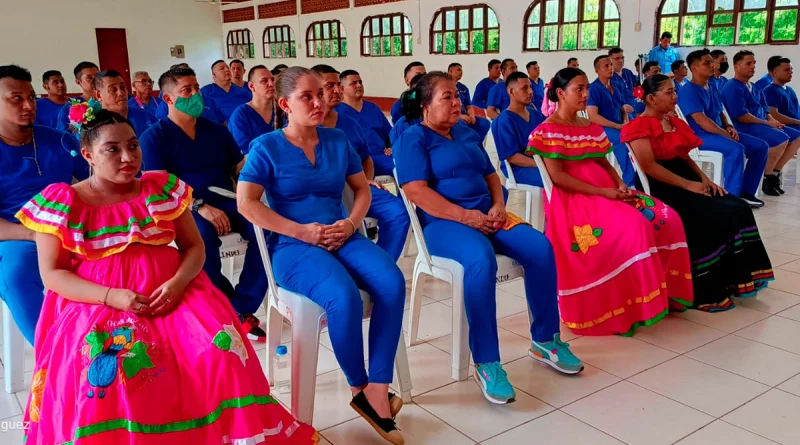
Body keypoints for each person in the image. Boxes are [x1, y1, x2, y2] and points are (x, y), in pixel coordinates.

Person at [16, 107, 318, 445]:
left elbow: (194, 248)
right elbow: (53, 275)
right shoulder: (63, 202)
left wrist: (178, 282)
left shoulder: (161, 189)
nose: (128, 156)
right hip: (97, 299)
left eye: (133, 146)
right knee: (109, 376)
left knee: (221, 355)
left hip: (176, 290)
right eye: (112, 149)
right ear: (87, 154)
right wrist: (112, 297)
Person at [237, 67, 406, 445]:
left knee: (392, 282)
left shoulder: (336, 139)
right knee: (342, 296)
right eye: (306, 97)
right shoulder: (266, 147)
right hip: (293, 246)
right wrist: (301, 231)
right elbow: (246, 204)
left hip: (340, 234)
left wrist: (349, 223)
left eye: (320, 94)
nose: (318, 102)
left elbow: (361, 190)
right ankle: (358, 387)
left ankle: (378, 387)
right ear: (285, 104)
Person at [395, 71, 584, 406]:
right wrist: (466, 216)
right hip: (444, 223)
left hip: (490, 214)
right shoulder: (414, 138)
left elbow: (491, 176)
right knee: (479, 259)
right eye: (447, 97)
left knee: (540, 248)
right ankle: (487, 362)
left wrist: (498, 205)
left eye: (457, 96)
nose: (457, 103)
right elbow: (415, 191)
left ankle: (545, 340)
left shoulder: (467, 133)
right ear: (425, 105)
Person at [527, 67, 694, 335]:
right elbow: (557, 177)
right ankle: (626, 306)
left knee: (666, 217)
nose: (585, 94)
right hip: (576, 199)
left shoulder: (589, 127)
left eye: (586, 88)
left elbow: (603, 161)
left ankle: (666, 295)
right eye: (578, 89)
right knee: (633, 225)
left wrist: (619, 184)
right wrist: (604, 192)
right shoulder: (547, 131)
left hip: (608, 190)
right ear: (560, 93)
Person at [622, 75, 773, 311]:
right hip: (662, 186)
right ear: (651, 98)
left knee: (738, 207)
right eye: (669, 93)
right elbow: (649, 166)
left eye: (674, 91)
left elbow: (684, 157)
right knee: (711, 214)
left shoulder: (673, 122)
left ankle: (736, 279)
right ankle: (705, 290)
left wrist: (705, 180)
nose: (675, 97)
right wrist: (688, 185)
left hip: (686, 178)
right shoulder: (638, 126)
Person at [140, 66, 268, 342]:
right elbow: (157, 186)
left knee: (268, 230)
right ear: (168, 99)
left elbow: (238, 169)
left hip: (226, 198)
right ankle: (222, 304)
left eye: (196, 88)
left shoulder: (215, 131)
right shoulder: (154, 137)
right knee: (201, 238)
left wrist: (256, 181)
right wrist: (197, 206)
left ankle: (241, 306)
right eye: (187, 90)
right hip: (183, 207)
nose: (196, 94)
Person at [0, 64, 88, 345]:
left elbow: (94, 180)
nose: (28, 105)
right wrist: (34, 234)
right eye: (16, 98)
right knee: (17, 272)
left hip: (70, 226)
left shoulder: (59, 139)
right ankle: (55, 355)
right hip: (17, 235)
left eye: (31, 97)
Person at [314, 65, 410, 263]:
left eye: (337, 85)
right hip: (324, 193)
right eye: (329, 86)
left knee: (398, 213)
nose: (336, 90)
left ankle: (382, 264)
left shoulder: (349, 123)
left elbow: (365, 158)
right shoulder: (305, 125)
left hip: (357, 186)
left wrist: (366, 179)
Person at [678, 49, 768, 206]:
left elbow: (720, 112)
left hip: (718, 132)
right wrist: (724, 133)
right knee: (735, 149)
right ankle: (732, 198)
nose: (712, 66)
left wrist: (728, 126)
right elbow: (701, 120)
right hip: (700, 136)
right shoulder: (689, 90)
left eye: (712, 62)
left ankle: (746, 192)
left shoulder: (712, 87)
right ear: (693, 67)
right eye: (707, 63)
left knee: (760, 146)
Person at [722, 51, 800, 197]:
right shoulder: (732, 87)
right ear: (737, 66)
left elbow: (765, 109)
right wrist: (766, 123)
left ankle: (774, 172)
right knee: (780, 139)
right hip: (745, 127)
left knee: (796, 136)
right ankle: (767, 176)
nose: (753, 67)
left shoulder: (754, 87)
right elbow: (741, 115)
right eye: (748, 63)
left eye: (754, 63)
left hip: (760, 125)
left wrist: (772, 120)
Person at [587, 55, 636, 186]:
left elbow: (622, 107)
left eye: (611, 65)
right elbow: (593, 116)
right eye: (606, 66)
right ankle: (630, 181)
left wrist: (625, 120)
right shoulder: (594, 88)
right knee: (622, 140)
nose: (610, 68)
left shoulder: (616, 85)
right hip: (601, 127)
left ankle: (645, 174)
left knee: (640, 134)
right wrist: (617, 126)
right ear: (597, 70)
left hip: (618, 123)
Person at [492, 72, 546, 187]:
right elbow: (512, 157)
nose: (531, 92)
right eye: (524, 88)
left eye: (530, 87)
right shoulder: (504, 120)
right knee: (553, 178)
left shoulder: (536, 115)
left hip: (541, 161)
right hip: (519, 168)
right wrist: (541, 164)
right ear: (511, 92)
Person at [338, 70, 395, 179]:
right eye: (353, 83)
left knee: (407, 166)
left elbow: (390, 134)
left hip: (382, 156)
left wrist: (392, 147)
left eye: (360, 82)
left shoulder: (373, 108)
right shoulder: (337, 113)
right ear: (342, 89)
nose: (359, 85)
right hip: (358, 161)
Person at [763, 57, 800, 192]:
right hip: (781, 126)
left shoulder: (789, 90)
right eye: (786, 69)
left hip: (794, 125)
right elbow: (775, 115)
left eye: (791, 69)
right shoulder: (770, 91)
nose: (790, 72)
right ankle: (773, 172)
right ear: (774, 73)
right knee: (797, 136)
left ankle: (774, 172)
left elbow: (796, 112)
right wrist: (797, 122)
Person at [228, 65, 276, 155]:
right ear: (251, 86)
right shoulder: (241, 115)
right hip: (255, 165)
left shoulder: (283, 111)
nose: (271, 84)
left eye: (272, 80)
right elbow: (245, 152)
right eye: (264, 81)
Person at [94, 70, 155, 136]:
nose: (120, 93)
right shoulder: (94, 124)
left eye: (122, 88)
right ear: (98, 95)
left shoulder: (144, 115)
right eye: (113, 89)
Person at [448, 62, 491, 140]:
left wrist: (472, 116)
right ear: (451, 71)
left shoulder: (463, 88)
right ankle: (466, 146)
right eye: (458, 70)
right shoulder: (445, 87)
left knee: (484, 123)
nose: (461, 72)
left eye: (462, 70)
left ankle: (477, 144)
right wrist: (460, 116)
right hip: (453, 117)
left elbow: (469, 106)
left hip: (466, 116)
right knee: (462, 124)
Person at [56, 61, 99, 131]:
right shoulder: (71, 107)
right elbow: (62, 136)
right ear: (79, 82)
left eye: (98, 76)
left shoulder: (109, 100)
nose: (95, 80)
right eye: (89, 78)